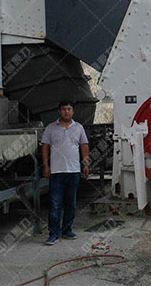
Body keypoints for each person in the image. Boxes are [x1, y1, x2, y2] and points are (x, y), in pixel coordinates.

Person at [41, 100, 89, 245]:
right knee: (55, 204)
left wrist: (86, 164)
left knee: (71, 203)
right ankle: (53, 234)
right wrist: (46, 166)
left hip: (73, 171)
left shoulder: (79, 127)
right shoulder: (50, 128)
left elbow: (84, 146)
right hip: (56, 171)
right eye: (63, 109)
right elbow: (45, 147)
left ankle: (67, 230)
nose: (66, 112)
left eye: (69, 109)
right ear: (59, 111)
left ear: (73, 111)